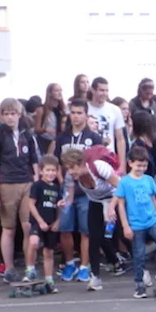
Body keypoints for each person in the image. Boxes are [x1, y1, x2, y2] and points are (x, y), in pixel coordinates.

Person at [0, 97, 40, 284]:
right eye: (6, 114)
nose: (10, 117)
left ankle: (29, 267)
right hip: (6, 183)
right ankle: (8, 268)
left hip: (27, 182)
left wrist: (37, 181)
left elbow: (34, 159)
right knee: (8, 228)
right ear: (1, 116)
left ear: (19, 114)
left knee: (28, 226)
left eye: (13, 113)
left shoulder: (27, 134)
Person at [54, 98, 103, 282]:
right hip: (67, 190)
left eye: (79, 113)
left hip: (86, 192)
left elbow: (99, 164)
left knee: (85, 230)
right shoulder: (62, 137)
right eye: (73, 113)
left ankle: (84, 266)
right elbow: (58, 162)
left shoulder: (94, 138)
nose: (75, 116)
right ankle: (69, 264)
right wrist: (62, 182)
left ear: (86, 114)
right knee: (65, 228)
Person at [58, 147, 121, 292]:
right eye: (68, 168)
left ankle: (140, 268)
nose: (70, 172)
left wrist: (112, 207)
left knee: (121, 234)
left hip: (114, 197)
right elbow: (70, 198)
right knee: (94, 237)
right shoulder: (70, 176)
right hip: (95, 201)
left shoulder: (98, 167)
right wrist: (64, 203)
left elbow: (121, 187)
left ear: (81, 163)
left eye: (73, 167)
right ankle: (95, 277)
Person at [114, 145, 156, 297]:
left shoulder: (149, 180)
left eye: (144, 166)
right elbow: (121, 205)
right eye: (138, 165)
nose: (141, 169)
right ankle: (139, 285)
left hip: (151, 220)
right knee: (139, 255)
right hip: (135, 224)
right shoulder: (124, 182)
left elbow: (153, 199)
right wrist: (126, 226)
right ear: (130, 163)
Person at [25, 155, 62, 291]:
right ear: (41, 171)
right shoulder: (37, 185)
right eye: (48, 170)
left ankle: (49, 279)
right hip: (38, 221)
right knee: (34, 242)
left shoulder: (57, 188)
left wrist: (57, 221)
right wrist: (40, 221)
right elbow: (31, 204)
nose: (50, 173)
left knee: (49, 252)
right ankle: (30, 269)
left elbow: (58, 207)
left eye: (53, 170)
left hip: (51, 223)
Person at [88, 77, 128, 172]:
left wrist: (122, 164)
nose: (105, 93)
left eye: (107, 90)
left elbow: (120, 139)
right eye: (101, 90)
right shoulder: (85, 108)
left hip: (109, 157)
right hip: (89, 156)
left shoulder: (115, 110)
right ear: (93, 90)